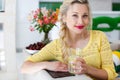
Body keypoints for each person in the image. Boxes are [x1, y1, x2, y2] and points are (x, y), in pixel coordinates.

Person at [21, 0, 118, 80]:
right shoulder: (57, 45)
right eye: (75, 15)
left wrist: (87, 69)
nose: (80, 21)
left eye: (85, 16)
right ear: (64, 17)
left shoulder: (100, 37)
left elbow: (110, 74)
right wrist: (47, 65)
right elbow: (25, 67)